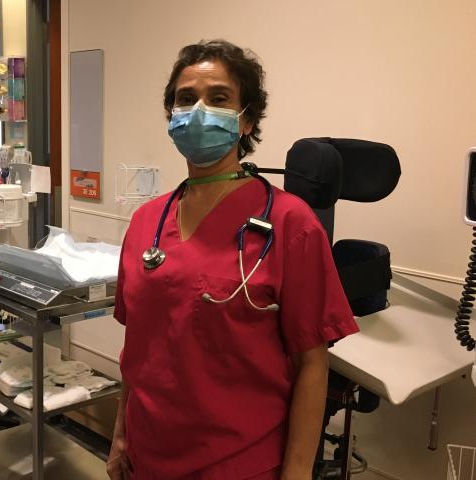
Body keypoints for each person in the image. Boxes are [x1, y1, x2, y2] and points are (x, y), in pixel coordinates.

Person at [107, 40, 359, 480]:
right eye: (186, 99)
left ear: (246, 121)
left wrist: (297, 473)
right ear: (172, 116)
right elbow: (138, 349)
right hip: (146, 458)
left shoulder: (289, 223)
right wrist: (121, 435)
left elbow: (312, 365)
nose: (198, 110)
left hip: (239, 465)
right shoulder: (147, 220)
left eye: (218, 98)